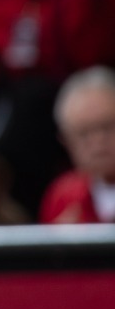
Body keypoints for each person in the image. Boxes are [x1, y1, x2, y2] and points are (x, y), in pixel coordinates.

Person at [41, 66, 115, 224]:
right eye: (83, 133)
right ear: (66, 142)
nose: (97, 142)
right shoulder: (63, 196)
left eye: (108, 127)